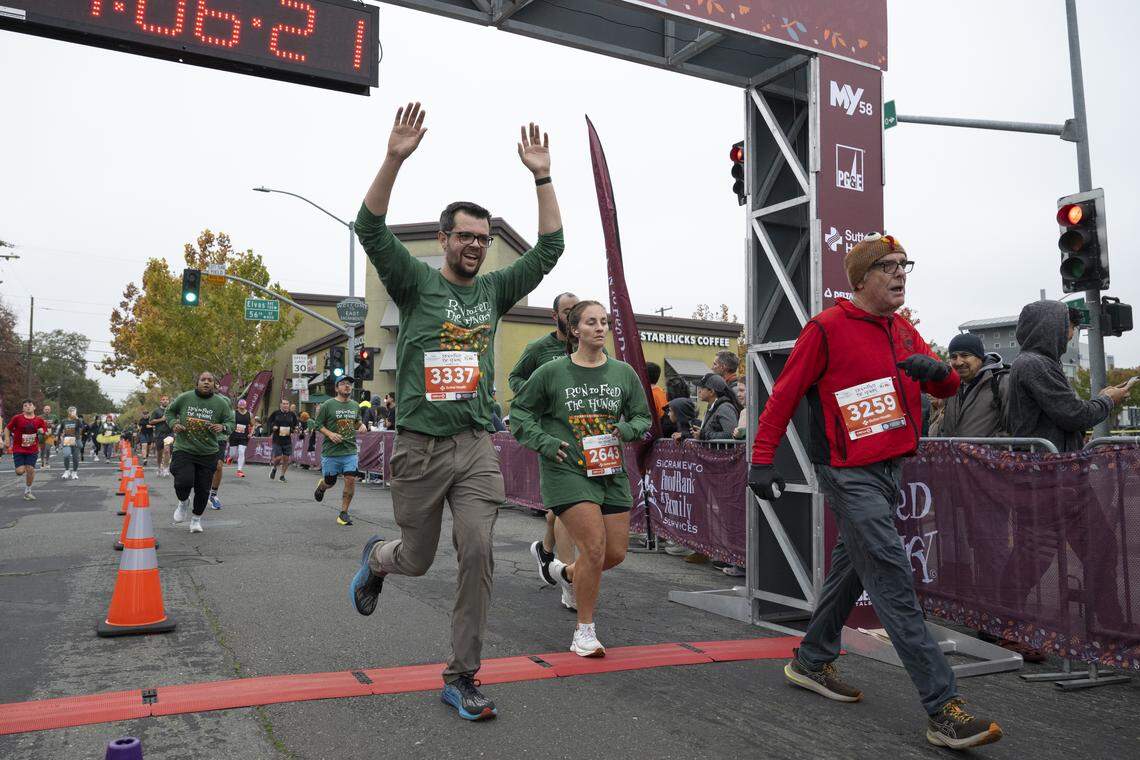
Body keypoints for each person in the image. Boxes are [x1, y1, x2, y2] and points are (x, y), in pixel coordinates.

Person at [348, 102, 564, 721]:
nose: (473, 245)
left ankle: (461, 675)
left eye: (481, 237)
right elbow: (369, 229)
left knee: (478, 552)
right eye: (464, 236)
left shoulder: (494, 289)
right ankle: (377, 559)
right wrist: (393, 158)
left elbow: (551, 248)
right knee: (416, 558)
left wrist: (542, 177)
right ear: (444, 240)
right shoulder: (415, 283)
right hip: (419, 446)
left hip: (474, 445)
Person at [747, 233, 1003, 749]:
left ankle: (811, 661)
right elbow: (784, 395)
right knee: (889, 575)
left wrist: (941, 376)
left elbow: (947, 388)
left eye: (904, 264)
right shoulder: (826, 329)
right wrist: (760, 460)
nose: (900, 273)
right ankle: (943, 708)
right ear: (861, 278)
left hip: (889, 471)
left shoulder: (905, 332)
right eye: (887, 266)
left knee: (850, 569)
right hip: (846, 472)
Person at [509, 300, 651, 657]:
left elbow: (642, 418)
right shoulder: (553, 372)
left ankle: (567, 573)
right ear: (575, 330)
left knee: (615, 553)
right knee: (594, 547)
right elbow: (520, 413)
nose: (600, 328)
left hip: (609, 469)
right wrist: (543, 441)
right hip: (567, 469)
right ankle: (584, 632)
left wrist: (626, 429)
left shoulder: (623, 373)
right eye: (591, 322)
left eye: (604, 322)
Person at [1000, 300, 1130, 635]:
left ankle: (1111, 625)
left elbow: (1062, 416)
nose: (1071, 333)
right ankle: (1003, 623)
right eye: (1067, 326)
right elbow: (1073, 413)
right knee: (1036, 555)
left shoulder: (1032, 363)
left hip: (1056, 475)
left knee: (1091, 548)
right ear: (1053, 328)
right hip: (1050, 478)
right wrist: (1107, 399)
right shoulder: (1037, 365)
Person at [510, 291, 581, 612]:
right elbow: (515, 377)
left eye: (578, 310)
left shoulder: (591, 345)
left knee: (562, 506)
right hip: (552, 435)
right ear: (555, 316)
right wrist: (539, 397)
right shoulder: (540, 349)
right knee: (567, 505)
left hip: (585, 435)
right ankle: (570, 582)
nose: (574, 316)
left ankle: (545, 551)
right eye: (569, 311)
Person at [168, 372, 234, 533]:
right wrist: (174, 423)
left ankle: (196, 519)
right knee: (183, 481)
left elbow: (230, 421)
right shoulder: (185, 397)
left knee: (203, 489)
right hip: (184, 448)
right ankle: (183, 502)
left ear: (214, 384)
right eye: (203, 380)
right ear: (197, 383)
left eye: (210, 380)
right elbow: (169, 412)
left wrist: (223, 427)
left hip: (208, 451)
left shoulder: (222, 403)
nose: (206, 382)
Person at [928, 334, 1009, 438]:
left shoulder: (1001, 382)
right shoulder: (951, 387)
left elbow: (1014, 428)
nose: (958, 362)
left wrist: (985, 450)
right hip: (953, 454)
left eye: (965, 355)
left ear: (979, 357)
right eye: (953, 357)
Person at [314, 375, 368, 525]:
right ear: (337, 388)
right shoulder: (327, 405)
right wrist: (330, 434)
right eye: (343, 384)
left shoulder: (355, 405)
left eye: (349, 384)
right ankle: (322, 486)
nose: (347, 386)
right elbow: (317, 425)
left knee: (350, 479)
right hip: (331, 452)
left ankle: (343, 513)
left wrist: (361, 425)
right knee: (330, 482)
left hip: (350, 450)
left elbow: (356, 422)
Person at [5, 400, 47, 500]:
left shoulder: (39, 420)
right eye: (25, 406)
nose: (28, 407)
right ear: (23, 408)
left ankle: (28, 491)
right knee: (20, 471)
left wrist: (43, 431)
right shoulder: (17, 418)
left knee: (30, 469)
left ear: (34, 407)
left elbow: (46, 431)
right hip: (18, 448)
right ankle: (20, 469)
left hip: (32, 449)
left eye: (30, 405)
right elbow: (7, 428)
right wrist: (7, 440)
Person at [694, 373, 739, 440]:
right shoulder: (712, 407)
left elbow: (731, 434)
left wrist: (704, 435)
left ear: (711, 392)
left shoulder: (725, 408)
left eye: (702, 388)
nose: (699, 391)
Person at [266, 399, 299, 483]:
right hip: (277, 439)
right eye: (284, 404)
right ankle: (274, 468)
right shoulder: (276, 413)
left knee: (286, 459)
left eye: (287, 404)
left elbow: (296, 424)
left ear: (289, 405)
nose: (285, 405)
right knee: (278, 458)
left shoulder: (292, 415)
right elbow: (269, 421)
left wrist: (296, 429)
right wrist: (273, 427)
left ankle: (282, 476)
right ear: (281, 405)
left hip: (287, 440)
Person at [149, 395, 173, 476]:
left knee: (167, 450)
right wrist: (161, 419)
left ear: (169, 401)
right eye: (163, 399)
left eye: (167, 399)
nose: (165, 401)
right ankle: (159, 467)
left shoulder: (172, 410)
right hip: (159, 434)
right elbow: (151, 421)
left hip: (169, 433)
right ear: (161, 401)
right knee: (159, 453)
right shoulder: (156, 411)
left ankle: (166, 468)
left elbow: (177, 419)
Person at [59, 407, 83, 480]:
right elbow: (60, 430)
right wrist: (60, 438)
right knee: (66, 455)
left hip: (76, 439)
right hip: (67, 440)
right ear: (68, 412)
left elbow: (81, 426)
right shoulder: (64, 421)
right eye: (70, 411)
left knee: (75, 458)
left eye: (73, 411)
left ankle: (74, 472)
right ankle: (67, 471)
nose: (72, 412)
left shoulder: (77, 420)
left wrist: (77, 418)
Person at [229, 398, 251, 477]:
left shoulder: (249, 414)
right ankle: (231, 457)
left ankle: (239, 470)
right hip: (234, 436)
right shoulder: (233, 413)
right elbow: (229, 422)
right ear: (237, 405)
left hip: (244, 436)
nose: (242, 405)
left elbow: (253, 425)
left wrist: (251, 433)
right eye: (240, 404)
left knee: (241, 452)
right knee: (233, 454)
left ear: (246, 405)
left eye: (243, 404)